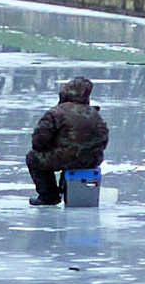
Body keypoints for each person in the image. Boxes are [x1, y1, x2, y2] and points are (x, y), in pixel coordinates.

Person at [26, 77, 108, 205]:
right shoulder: (95, 113)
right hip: (92, 160)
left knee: (33, 158)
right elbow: (104, 139)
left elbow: (39, 140)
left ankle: (49, 196)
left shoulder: (56, 112)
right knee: (72, 158)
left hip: (65, 158)